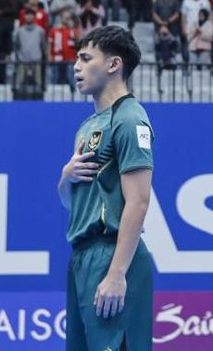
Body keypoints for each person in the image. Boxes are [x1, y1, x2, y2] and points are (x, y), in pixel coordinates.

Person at [58, 26, 155, 350]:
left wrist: (117, 273)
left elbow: (139, 202)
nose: (76, 67)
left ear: (114, 64)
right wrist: (66, 177)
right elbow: (70, 200)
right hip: (81, 256)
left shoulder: (130, 119)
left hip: (112, 255)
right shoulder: (88, 126)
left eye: (86, 59)